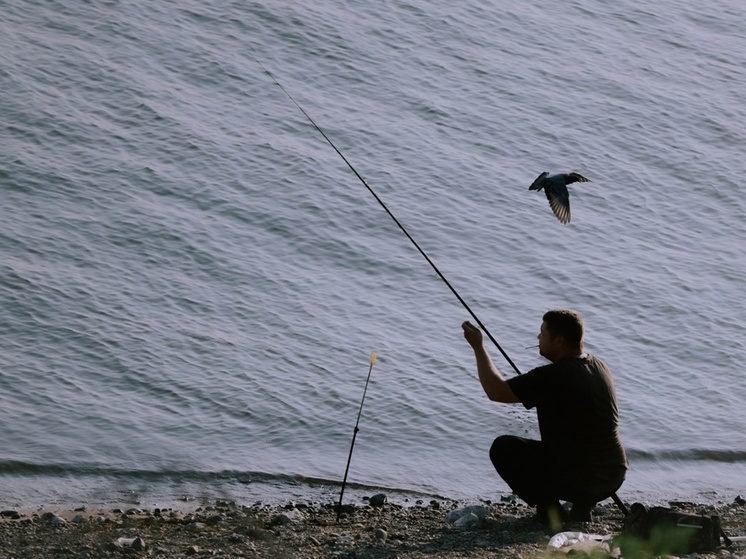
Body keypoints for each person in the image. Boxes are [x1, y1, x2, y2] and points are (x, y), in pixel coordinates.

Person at [462, 308, 627, 527]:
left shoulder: (552, 376)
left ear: (558, 340)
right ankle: (581, 509)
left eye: (543, 333)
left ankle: (552, 513)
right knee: (576, 447)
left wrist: (478, 346)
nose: (538, 338)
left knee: (504, 448)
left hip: (582, 479)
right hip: (613, 474)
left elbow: (496, 391)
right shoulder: (599, 366)